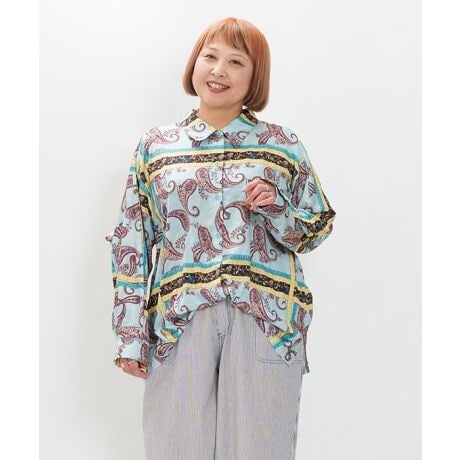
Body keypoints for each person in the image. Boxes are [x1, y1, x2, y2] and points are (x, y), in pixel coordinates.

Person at [105, 16, 336, 460]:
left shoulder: (282, 145)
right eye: (210, 57)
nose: (219, 70)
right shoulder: (156, 146)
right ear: (194, 63)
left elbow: (316, 228)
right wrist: (130, 334)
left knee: (259, 449)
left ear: (254, 77)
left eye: (236, 62)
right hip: (177, 320)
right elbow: (132, 241)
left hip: (266, 320)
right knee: (175, 448)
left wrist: (276, 207)